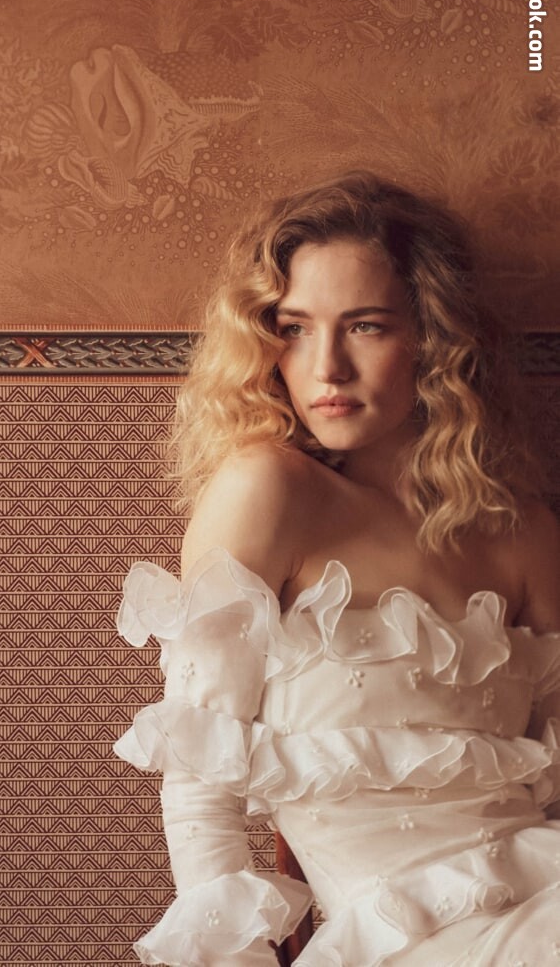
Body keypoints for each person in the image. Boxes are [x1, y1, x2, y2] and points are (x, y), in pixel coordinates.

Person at [114, 171, 560, 966]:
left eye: (366, 327)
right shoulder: (268, 493)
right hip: (405, 942)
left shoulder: (521, 531)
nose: (327, 367)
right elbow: (202, 793)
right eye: (293, 328)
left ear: (432, 340)